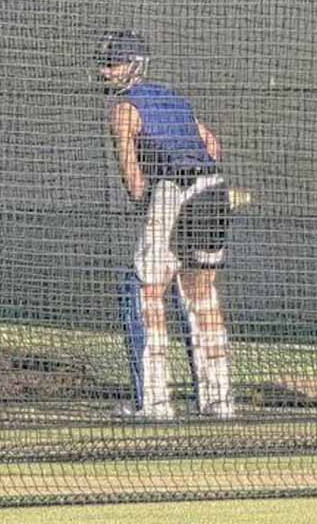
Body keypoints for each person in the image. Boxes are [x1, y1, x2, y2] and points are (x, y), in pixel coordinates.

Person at [97, 30, 234, 420]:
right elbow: (212, 145)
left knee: (145, 291)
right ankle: (219, 399)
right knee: (201, 294)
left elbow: (132, 177)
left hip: (174, 188)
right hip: (214, 191)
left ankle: (154, 402)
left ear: (134, 66)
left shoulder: (124, 109)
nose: (105, 72)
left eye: (113, 64)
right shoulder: (175, 98)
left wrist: (152, 203)